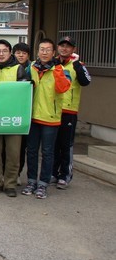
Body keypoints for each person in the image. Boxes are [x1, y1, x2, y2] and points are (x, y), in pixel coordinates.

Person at [22, 39, 72, 199]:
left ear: (53, 53)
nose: (44, 52)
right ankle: (31, 181)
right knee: (31, 151)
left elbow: (63, 88)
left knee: (47, 152)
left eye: (48, 49)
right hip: (32, 117)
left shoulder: (61, 69)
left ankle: (43, 183)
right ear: (37, 52)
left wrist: (57, 70)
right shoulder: (31, 67)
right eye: (41, 49)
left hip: (51, 118)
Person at [0, 39, 30, 197]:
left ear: (10, 53)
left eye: (4, 51)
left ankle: (10, 183)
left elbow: (24, 91)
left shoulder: (19, 68)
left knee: (13, 153)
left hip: (13, 117)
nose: (1, 54)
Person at [53, 36, 91, 189]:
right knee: (52, 144)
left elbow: (86, 81)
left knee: (66, 144)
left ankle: (65, 175)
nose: (64, 48)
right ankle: (53, 173)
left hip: (69, 111)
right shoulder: (52, 63)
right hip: (52, 110)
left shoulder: (78, 65)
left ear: (73, 49)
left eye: (68, 46)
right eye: (62, 45)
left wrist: (76, 64)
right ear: (58, 47)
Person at [12, 42, 32, 178]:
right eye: (18, 53)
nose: (20, 55)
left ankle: (18, 173)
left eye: (24, 53)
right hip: (9, 112)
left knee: (22, 146)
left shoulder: (32, 68)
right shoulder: (7, 67)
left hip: (24, 112)